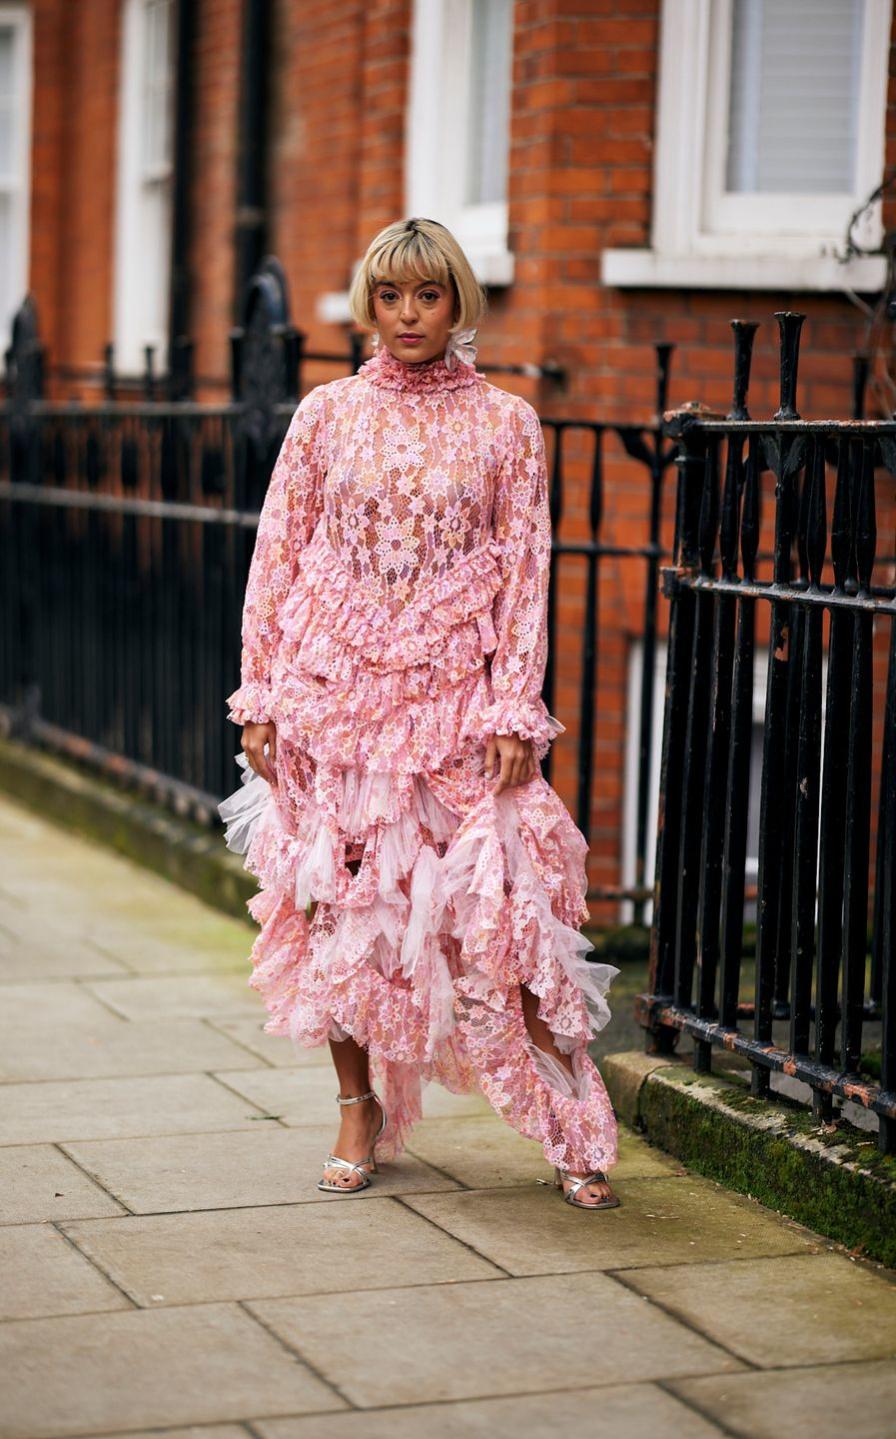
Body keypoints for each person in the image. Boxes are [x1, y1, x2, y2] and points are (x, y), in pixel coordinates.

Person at [220, 217, 621, 1209]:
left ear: (458, 303)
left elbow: (527, 577)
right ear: (369, 302)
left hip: (456, 705)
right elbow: (276, 557)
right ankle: (358, 1107)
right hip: (333, 702)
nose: (407, 315)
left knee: (507, 911)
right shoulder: (325, 414)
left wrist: (515, 711)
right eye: (390, 295)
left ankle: (572, 1129)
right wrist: (259, 694)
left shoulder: (505, 424)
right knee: (339, 913)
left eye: (428, 295)